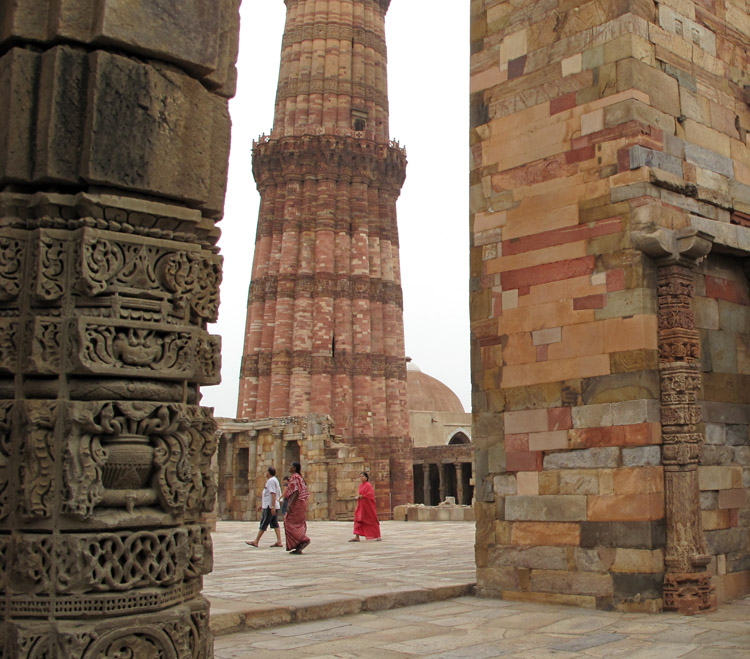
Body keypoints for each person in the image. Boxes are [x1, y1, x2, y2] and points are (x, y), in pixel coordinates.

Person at [246, 466, 282, 548]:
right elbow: (269, 495)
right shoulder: (274, 480)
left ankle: (256, 541)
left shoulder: (271, 481)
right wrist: (263, 505)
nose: (265, 473)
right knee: (274, 523)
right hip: (271, 505)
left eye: (266, 471)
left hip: (270, 506)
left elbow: (273, 494)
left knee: (264, 523)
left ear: (269, 473)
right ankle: (279, 541)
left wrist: (272, 506)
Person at [283, 461, 310, 554]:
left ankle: (303, 539)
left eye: (291, 466)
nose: (289, 467)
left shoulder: (295, 477)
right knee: (297, 523)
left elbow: (296, 491)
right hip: (301, 503)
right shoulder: (299, 477)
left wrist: (290, 504)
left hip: (296, 503)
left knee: (288, 522)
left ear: (294, 468)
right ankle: (298, 546)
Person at [349, 472, 381, 542]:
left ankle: (378, 535)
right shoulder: (361, 486)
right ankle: (357, 536)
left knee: (372, 519)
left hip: (368, 505)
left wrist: (363, 496)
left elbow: (370, 494)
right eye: (360, 476)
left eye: (363, 476)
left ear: (366, 477)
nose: (361, 477)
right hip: (361, 505)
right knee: (358, 519)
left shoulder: (368, 485)